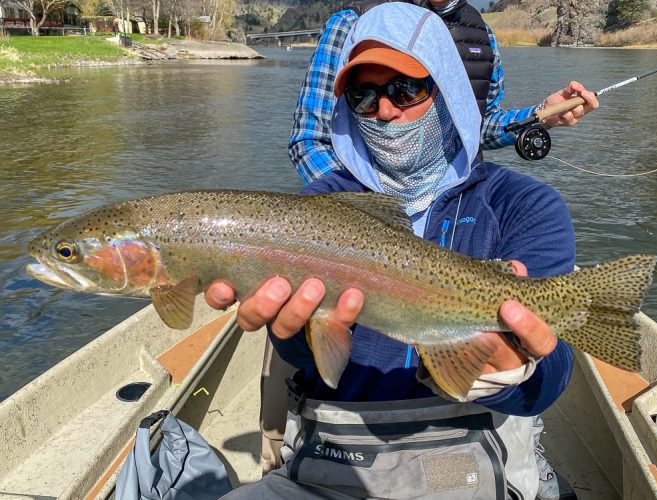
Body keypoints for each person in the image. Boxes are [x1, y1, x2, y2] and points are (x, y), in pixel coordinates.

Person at [207, 3, 577, 498]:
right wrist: (295, 336)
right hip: (336, 458)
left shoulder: (525, 207)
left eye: (407, 89)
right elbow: (308, 357)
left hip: (473, 460)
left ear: (446, 89)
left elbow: (547, 385)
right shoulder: (319, 211)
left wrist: (509, 371)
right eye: (363, 95)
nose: (385, 110)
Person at [288, 0, 599, 184]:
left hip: (458, 206)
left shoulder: (483, 34)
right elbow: (310, 140)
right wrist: (360, 213)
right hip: (369, 218)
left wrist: (540, 115)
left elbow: (476, 127)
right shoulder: (353, 23)